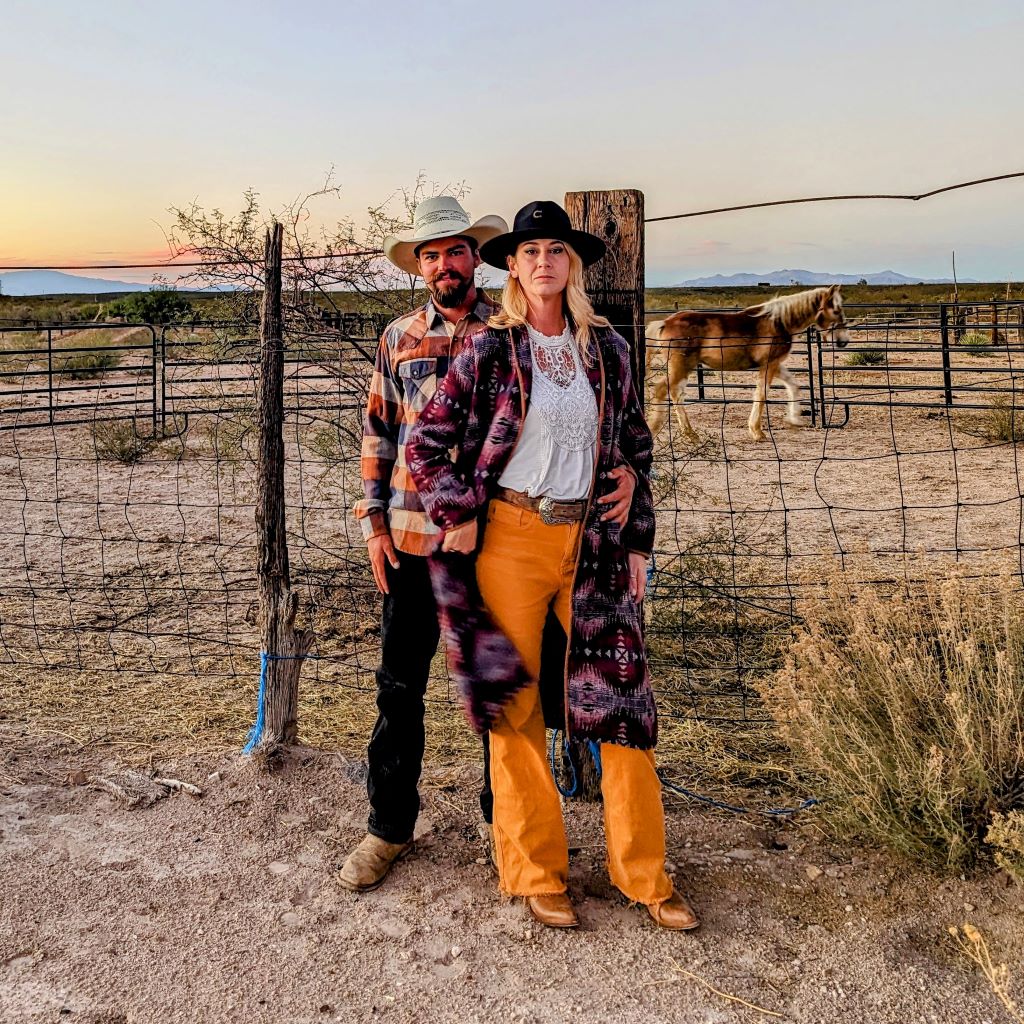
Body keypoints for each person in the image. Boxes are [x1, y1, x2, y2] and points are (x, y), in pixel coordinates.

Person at [407, 200, 700, 930]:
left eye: (556, 251)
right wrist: (459, 513)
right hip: (511, 534)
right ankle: (535, 870)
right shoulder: (490, 351)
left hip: (594, 541)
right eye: (530, 250)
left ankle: (645, 876)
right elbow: (426, 445)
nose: (543, 261)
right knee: (515, 709)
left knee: (622, 707)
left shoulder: (609, 351)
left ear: (573, 267)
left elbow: (636, 440)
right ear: (512, 265)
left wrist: (634, 514)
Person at [343, 197, 637, 892]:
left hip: (493, 538)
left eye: (455, 250)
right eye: (431, 255)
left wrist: (624, 473)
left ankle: (499, 821)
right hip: (416, 539)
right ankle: (389, 825)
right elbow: (380, 433)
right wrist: (373, 523)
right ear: (420, 267)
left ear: (478, 258)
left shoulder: (512, 333)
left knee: (505, 689)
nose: (445, 264)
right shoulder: (398, 338)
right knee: (399, 687)